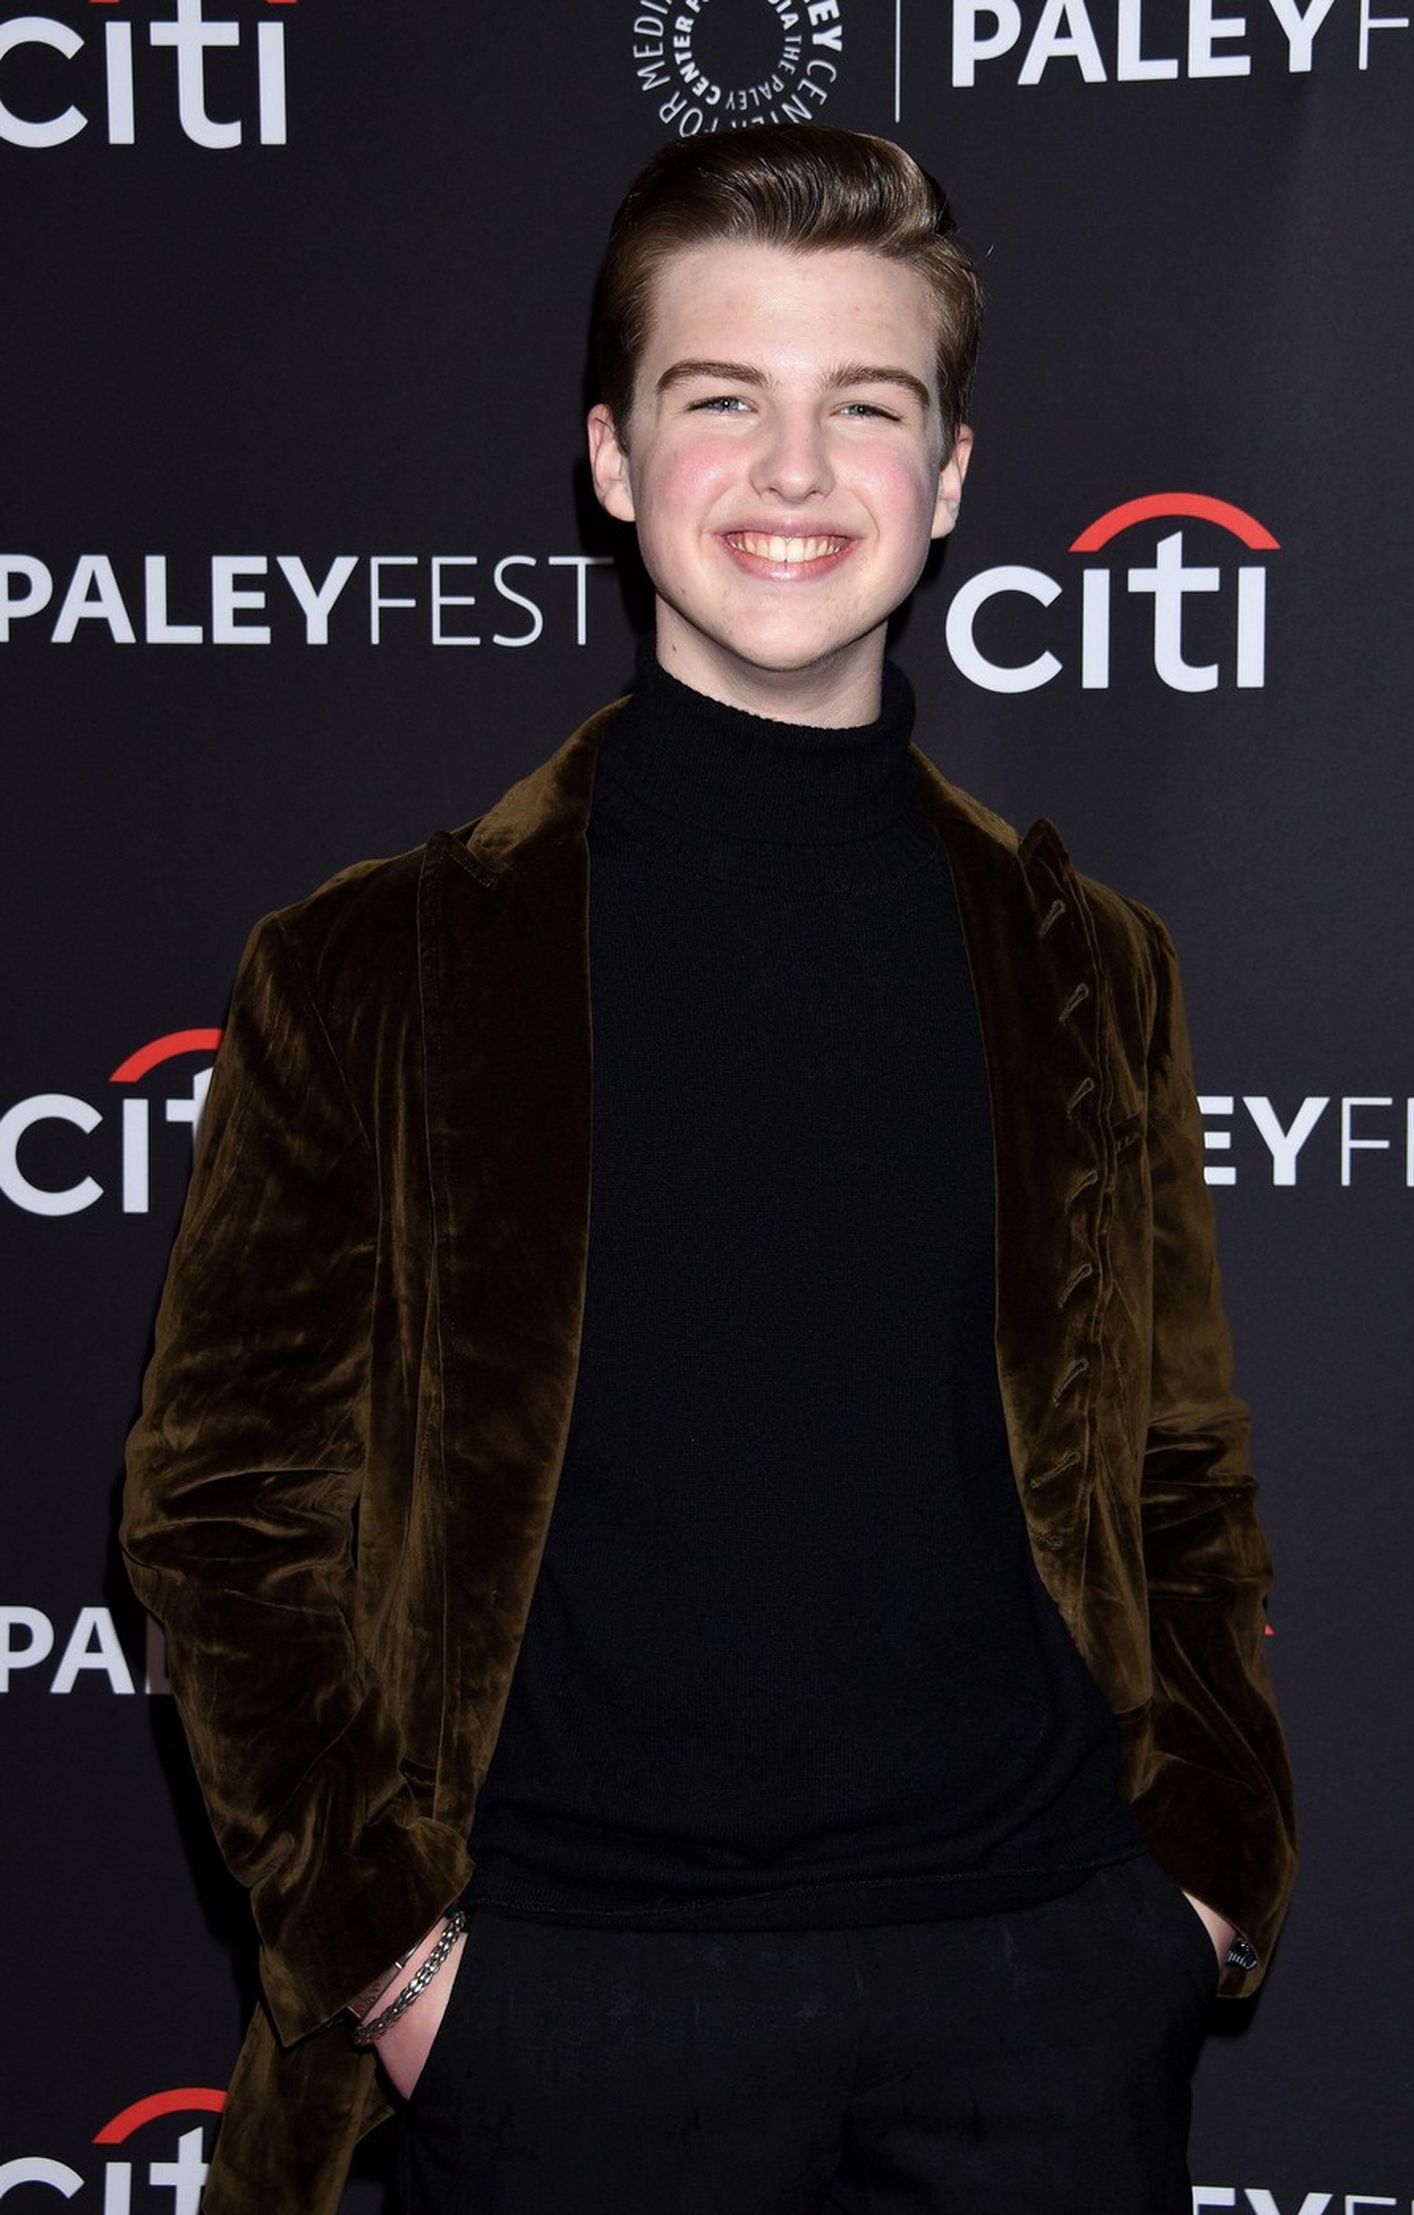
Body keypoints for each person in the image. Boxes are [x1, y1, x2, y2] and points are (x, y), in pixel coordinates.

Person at [120, 122, 1297, 2215]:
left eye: (869, 407)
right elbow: (220, 1508)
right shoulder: (377, 967)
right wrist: (399, 1964)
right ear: (610, 455)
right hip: (562, 2011)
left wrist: (1198, 1884)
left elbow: (1177, 1467)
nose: (794, 472)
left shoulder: (1089, 967)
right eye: (721, 399)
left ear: (949, 475)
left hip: (1044, 1992)